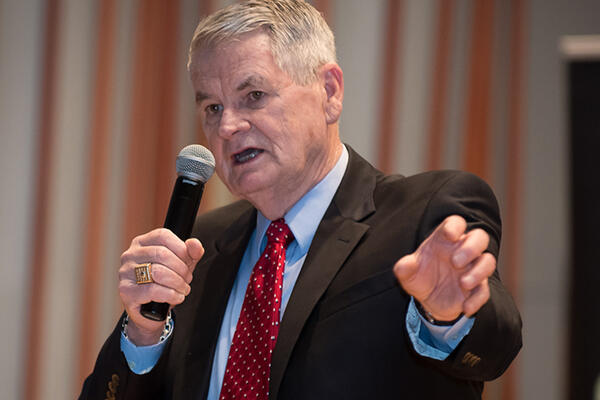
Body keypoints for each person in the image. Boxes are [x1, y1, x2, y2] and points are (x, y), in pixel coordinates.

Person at [79, 1, 521, 399]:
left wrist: (447, 318)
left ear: (329, 92)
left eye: (253, 96)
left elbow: (498, 348)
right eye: (212, 107)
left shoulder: (423, 216)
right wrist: (144, 331)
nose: (227, 126)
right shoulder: (198, 247)